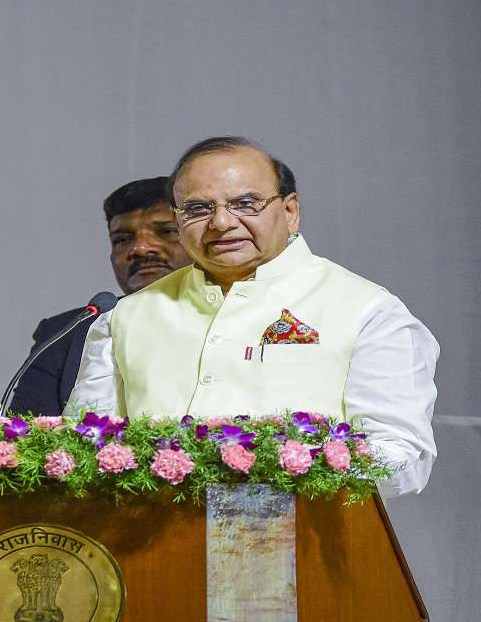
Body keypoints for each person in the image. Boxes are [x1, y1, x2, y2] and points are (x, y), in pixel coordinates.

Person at [65, 137, 438, 496]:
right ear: (178, 220)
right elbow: (81, 447)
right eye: (198, 209)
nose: (222, 223)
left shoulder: (365, 310)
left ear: (290, 211)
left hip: (305, 546)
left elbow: (402, 458)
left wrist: (275, 469)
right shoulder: (124, 318)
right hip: (151, 548)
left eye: (246, 203)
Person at [8, 177, 192, 415]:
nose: (141, 248)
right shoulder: (65, 332)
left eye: (166, 231)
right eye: (123, 239)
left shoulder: (236, 318)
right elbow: (27, 439)